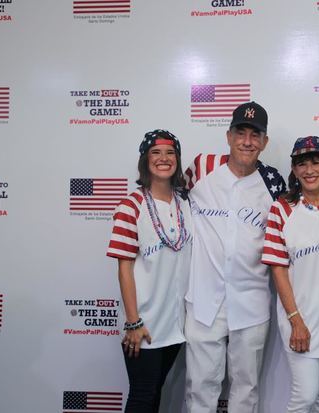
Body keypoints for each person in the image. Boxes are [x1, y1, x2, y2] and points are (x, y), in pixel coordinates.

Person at [183, 101, 285, 413]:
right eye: (240, 132)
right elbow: (169, 201)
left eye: (255, 135)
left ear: (265, 142)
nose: (247, 141)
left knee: (246, 389)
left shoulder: (274, 182)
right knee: (200, 386)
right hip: (204, 300)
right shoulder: (201, 168)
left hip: (251, 302)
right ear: (228, 136)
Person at [262, 136, 319, 413]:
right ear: (294, 169)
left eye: (316, 162)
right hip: (301, 320)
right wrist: (295, 321)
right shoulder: (282, 208)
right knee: (304, 396)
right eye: (301, 164)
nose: (309, 170)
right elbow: (277, 268)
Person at [106, 129, 193, 412]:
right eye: (156, 153)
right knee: (143, 396)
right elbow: (124, 268)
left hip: (176, 325)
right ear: (145, 160)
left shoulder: (187, 203)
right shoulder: (131, 206)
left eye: (170, 153)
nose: (164, 159)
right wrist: (133, 322)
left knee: (155, 393)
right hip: (145, 324)